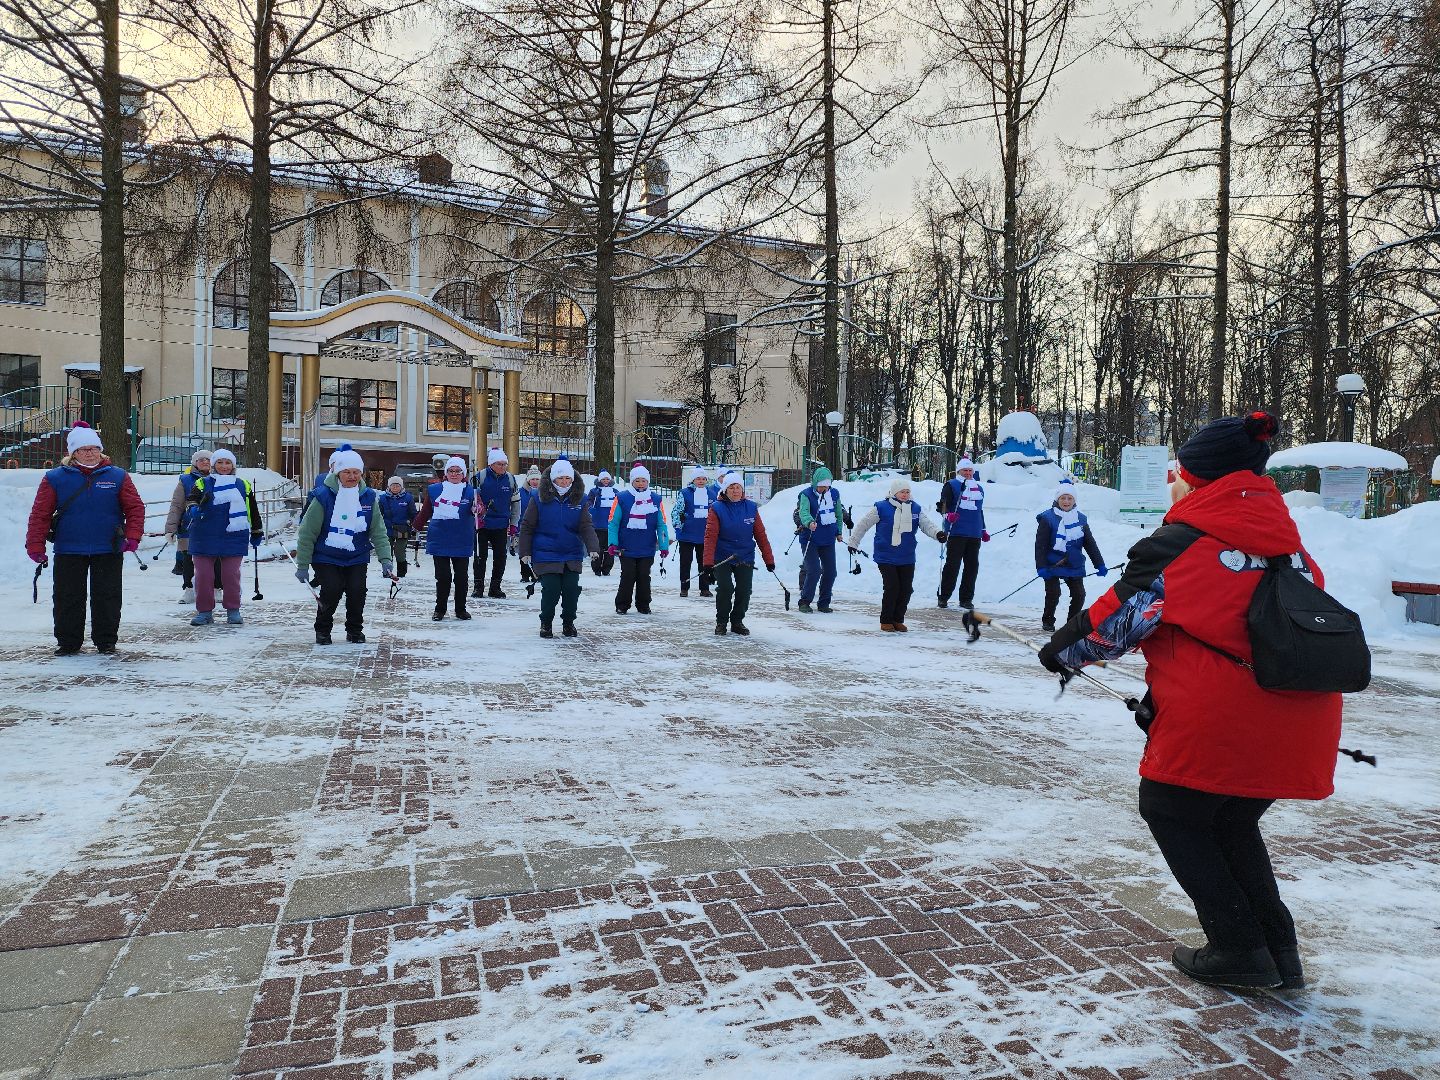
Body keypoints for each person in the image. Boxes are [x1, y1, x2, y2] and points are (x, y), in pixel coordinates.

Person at [1039, 411, 1332, 992]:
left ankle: (1239, 948)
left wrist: (1060, 651)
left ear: (1196, 477)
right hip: (1298, 713)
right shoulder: (1287, 545)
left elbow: (1111, 627)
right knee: (1230, 818)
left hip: (1219, 718)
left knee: (1171, 810)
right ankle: (1277, 947)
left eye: (1181, 470)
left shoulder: (1183, 542)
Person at [24, 422, 145, 655]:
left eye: (93, 448)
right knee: (67, 597)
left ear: (100, 449)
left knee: (107, 596)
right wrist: (35, 544)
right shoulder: (54, 478)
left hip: (108, 548)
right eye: (82, 449)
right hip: (69, 548)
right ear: (73, 452)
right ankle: (68, 642)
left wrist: (132, 535)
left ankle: (106, 640)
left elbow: (135, 508)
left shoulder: (118, 476)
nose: (89, 453)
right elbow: (40, 514)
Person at [294, 447, 393, 644]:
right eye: (347, 472)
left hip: (357, 555)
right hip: (326, 554)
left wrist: (386, 560)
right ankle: (323, 629)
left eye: (356, 472)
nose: (352, 476)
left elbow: (378, 530)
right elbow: (307, 532)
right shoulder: (323, 496)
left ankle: (354, 630)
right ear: (338, 473)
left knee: (357, 591)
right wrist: (303, 565)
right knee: (332, 589)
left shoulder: (368, 497)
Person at [849, 475, 946, 632]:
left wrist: (938, 534)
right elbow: (863, 524)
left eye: (907, 492)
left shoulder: (915, 508)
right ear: (894, 493)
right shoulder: (881, 507)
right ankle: (886, 620)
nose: (905, 495)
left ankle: (897, 619)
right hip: (886, 555)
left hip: (906, 555)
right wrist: (854, 542)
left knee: (906, 589)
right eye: (902, 492)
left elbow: (927, 525)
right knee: (892, 587)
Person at [518, 455, 600, 638]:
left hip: (571, 553)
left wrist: (593, 547)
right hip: (546, 553)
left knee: (571, 591)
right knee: (551, 590)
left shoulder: (580, 499)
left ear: (572, 478)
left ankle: (568, 623)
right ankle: (546, 623)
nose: (564, 481)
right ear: (553, 478)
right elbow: (527, 526)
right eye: (560, 478)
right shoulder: (538, 498)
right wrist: (524, 551)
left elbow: (586, 526)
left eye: (567, 478)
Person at [185, 449, 263, 626]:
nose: (224, 466)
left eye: (228, 463)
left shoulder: (243, 484)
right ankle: (204, 612)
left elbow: (252, 509)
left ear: (233, 465)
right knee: (204, 576)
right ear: (213, 465)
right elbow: (191, 500)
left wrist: (257, 530)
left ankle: (233, 610)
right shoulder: (202, 483)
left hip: (234, 535)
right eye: (219, 462)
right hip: (204, 535)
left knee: (231, 575)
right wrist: (194, 509)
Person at [702, 472, 775, 636]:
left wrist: (769, 559)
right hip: (723, 556)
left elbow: (761, 535)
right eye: (731, 488)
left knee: (744, 590)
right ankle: (721, 622)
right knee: (726, 588)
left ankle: (737, 621)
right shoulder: (717, 508)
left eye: (738, 488)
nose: (735, 491)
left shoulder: (751, 507)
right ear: (725, 490)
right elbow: (710, 537)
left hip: (745, 556)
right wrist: (707, 563)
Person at [1034, 479, 1106, 633]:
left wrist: (1099, 564)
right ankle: (1048, 620)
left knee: (1079, 594)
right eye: (1063, 498)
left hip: (1074, 563)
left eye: (1069, 498)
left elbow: (1089, 543)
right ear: (1057, 499)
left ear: (1074, 500)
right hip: (1052, 563)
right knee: (1053, 592)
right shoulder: (1048, 518)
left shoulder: (1080, 519)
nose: (1066, 501)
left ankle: (1071, 623)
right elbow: (1040, 545)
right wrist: (1041, 567)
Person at [411, 457, 475, 621]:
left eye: (458, 471)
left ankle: (461, 609)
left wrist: (479, 509)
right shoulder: (434, 490)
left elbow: (479, 511)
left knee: (461, 578)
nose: (454, 474)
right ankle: (440, 609)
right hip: (440, 539)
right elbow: (425, 512)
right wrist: (415, 526)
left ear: (463, 473)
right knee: (443, 577)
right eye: (451, 471)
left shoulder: (471, 491)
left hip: (462, 539)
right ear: (446, 473)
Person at [609, 463, 671, 614]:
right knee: (628, 575)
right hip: (626, 546)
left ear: (648, 482)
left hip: (647, 546)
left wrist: (663, 546)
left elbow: (661, 524)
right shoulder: (622, 498)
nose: (641, 484)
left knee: (644, 576)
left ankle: (644, 604)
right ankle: (622, 604)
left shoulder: (656, 499)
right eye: (637, 481)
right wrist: (612, 543)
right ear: (632, 481)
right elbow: (613, 522)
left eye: (644, 480)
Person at [938, 457, 989, 610]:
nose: (967, 473)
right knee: (952, 565)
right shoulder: (951, 485)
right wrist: (948, 515)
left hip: (974, 533)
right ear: (958, 471)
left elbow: (979, 511)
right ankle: (944, 596)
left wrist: (983, 530)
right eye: (964, 470)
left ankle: (966, 598)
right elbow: (942, 505)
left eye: (970, 470)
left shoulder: (979, 488)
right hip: (956, 531)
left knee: (972, 566)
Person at [163, 449, 212, 605]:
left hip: (212, 526)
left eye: (208, 459)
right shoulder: (185, 480)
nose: (205, 462)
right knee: (188, 559)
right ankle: (189, 588)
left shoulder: (219, 479)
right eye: (201, 459)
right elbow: (176, 505)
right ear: (195, 463)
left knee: (215, 559)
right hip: (189, 525)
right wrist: (171, 528)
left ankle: (216, 588)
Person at [797, 466, 846, 614]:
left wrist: (838, 531)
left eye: (826, 486)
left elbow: (838, 514)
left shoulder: (834, 494)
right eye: (821, 486)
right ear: (815, 483)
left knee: (831, 572)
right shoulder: (806, 495)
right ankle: (804, 601)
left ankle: (824, 602)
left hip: (828, 539)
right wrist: (809, 522)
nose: (823, 489)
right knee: (814, 570)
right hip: (810, 539)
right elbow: (803, 512)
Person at [472, 447, 519, 598]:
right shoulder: (480, 477)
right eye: (499, 464)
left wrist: (513, 524)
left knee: (500, 557)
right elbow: (471, 499)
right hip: (482, 525)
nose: (503, 467)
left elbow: (516, 504)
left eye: (505, 464)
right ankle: (478, 587)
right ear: (491, 464)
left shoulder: (511, 480)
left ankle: (495, 587)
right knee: (480, 557)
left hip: (501, 525)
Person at [673, 466, 718, 597]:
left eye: (703, 478)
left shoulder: (711, 494)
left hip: (705, 534)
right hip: (687, 533)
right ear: (693, 480)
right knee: (685, 562)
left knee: (704, 562)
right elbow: (677, 511)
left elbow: (715, 513)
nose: (701, 481)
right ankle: (684, 587)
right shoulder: (685, 492)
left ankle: (704, 588)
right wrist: (678, 526)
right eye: (698, 478)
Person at [378, 476, 418, 579]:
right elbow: (378, 515)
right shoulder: (383, 498)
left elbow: (413, 513)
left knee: (399, 551)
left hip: (402, 529)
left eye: (397, 485)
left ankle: (402, 572)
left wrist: (415, 525)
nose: (395, 487)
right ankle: (387, 571)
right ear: (389, 486)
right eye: (393, 485)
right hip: (387, 529)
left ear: (401, 486)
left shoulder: (408, 498)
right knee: (387, 551)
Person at [586, 470, 620, 576]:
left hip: (610, 525)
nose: (605, 481)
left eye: (607, 479)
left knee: (610, 549)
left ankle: (607, 568)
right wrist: (591, 508)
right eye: (603, 479)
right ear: (599, 480)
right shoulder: (594, 491)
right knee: (597, 548)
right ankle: (596, 568)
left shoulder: (615, 491)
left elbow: (620, 504)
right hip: (597, 525)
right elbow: (588, 503)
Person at [518, 465, 543, 583]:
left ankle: (536, 573)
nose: (535, 481)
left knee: (536, 550)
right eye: (532, 479)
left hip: (538, 527)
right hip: (523, 525)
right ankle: (524, 573)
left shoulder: (544, 493)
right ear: (528, 480)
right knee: (524, 549)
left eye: (537, 479)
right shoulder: (521, 492)